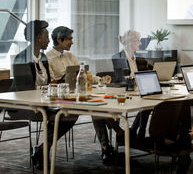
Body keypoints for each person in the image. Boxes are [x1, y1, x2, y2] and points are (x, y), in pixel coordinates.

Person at [46, 26, 122, 165]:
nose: (72, 42)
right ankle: (117, 133)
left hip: (77, 95)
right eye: (69, 39)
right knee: (95, 107)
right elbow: (50, 82)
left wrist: (99, 79)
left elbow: (84, 74)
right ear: (59, 39)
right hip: (62, 97)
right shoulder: (48, 58)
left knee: (97, 106)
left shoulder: (70, 56)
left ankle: (107, 147)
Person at [8, 20, 78, 170]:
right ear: (37, 38)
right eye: (46, 35)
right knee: (64, 113)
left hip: (44, 101)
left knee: (71, 111)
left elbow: (47, 83)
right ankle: (42, 150)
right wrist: (47, 88)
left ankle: (42, 148)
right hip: (24, 105)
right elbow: (25, 91)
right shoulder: (22, 58)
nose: (48, 40)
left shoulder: (43, 58)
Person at [112, 30, 151, 140]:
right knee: (147, 100)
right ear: (130, 42)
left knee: (151, 100)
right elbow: (121, 79)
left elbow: (149, 74)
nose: (140, 43)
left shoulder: (140, 59)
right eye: (138, 40)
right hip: (124, 92)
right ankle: (137, 133)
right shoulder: (118, 57)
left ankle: (137, 132)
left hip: (139, 91)